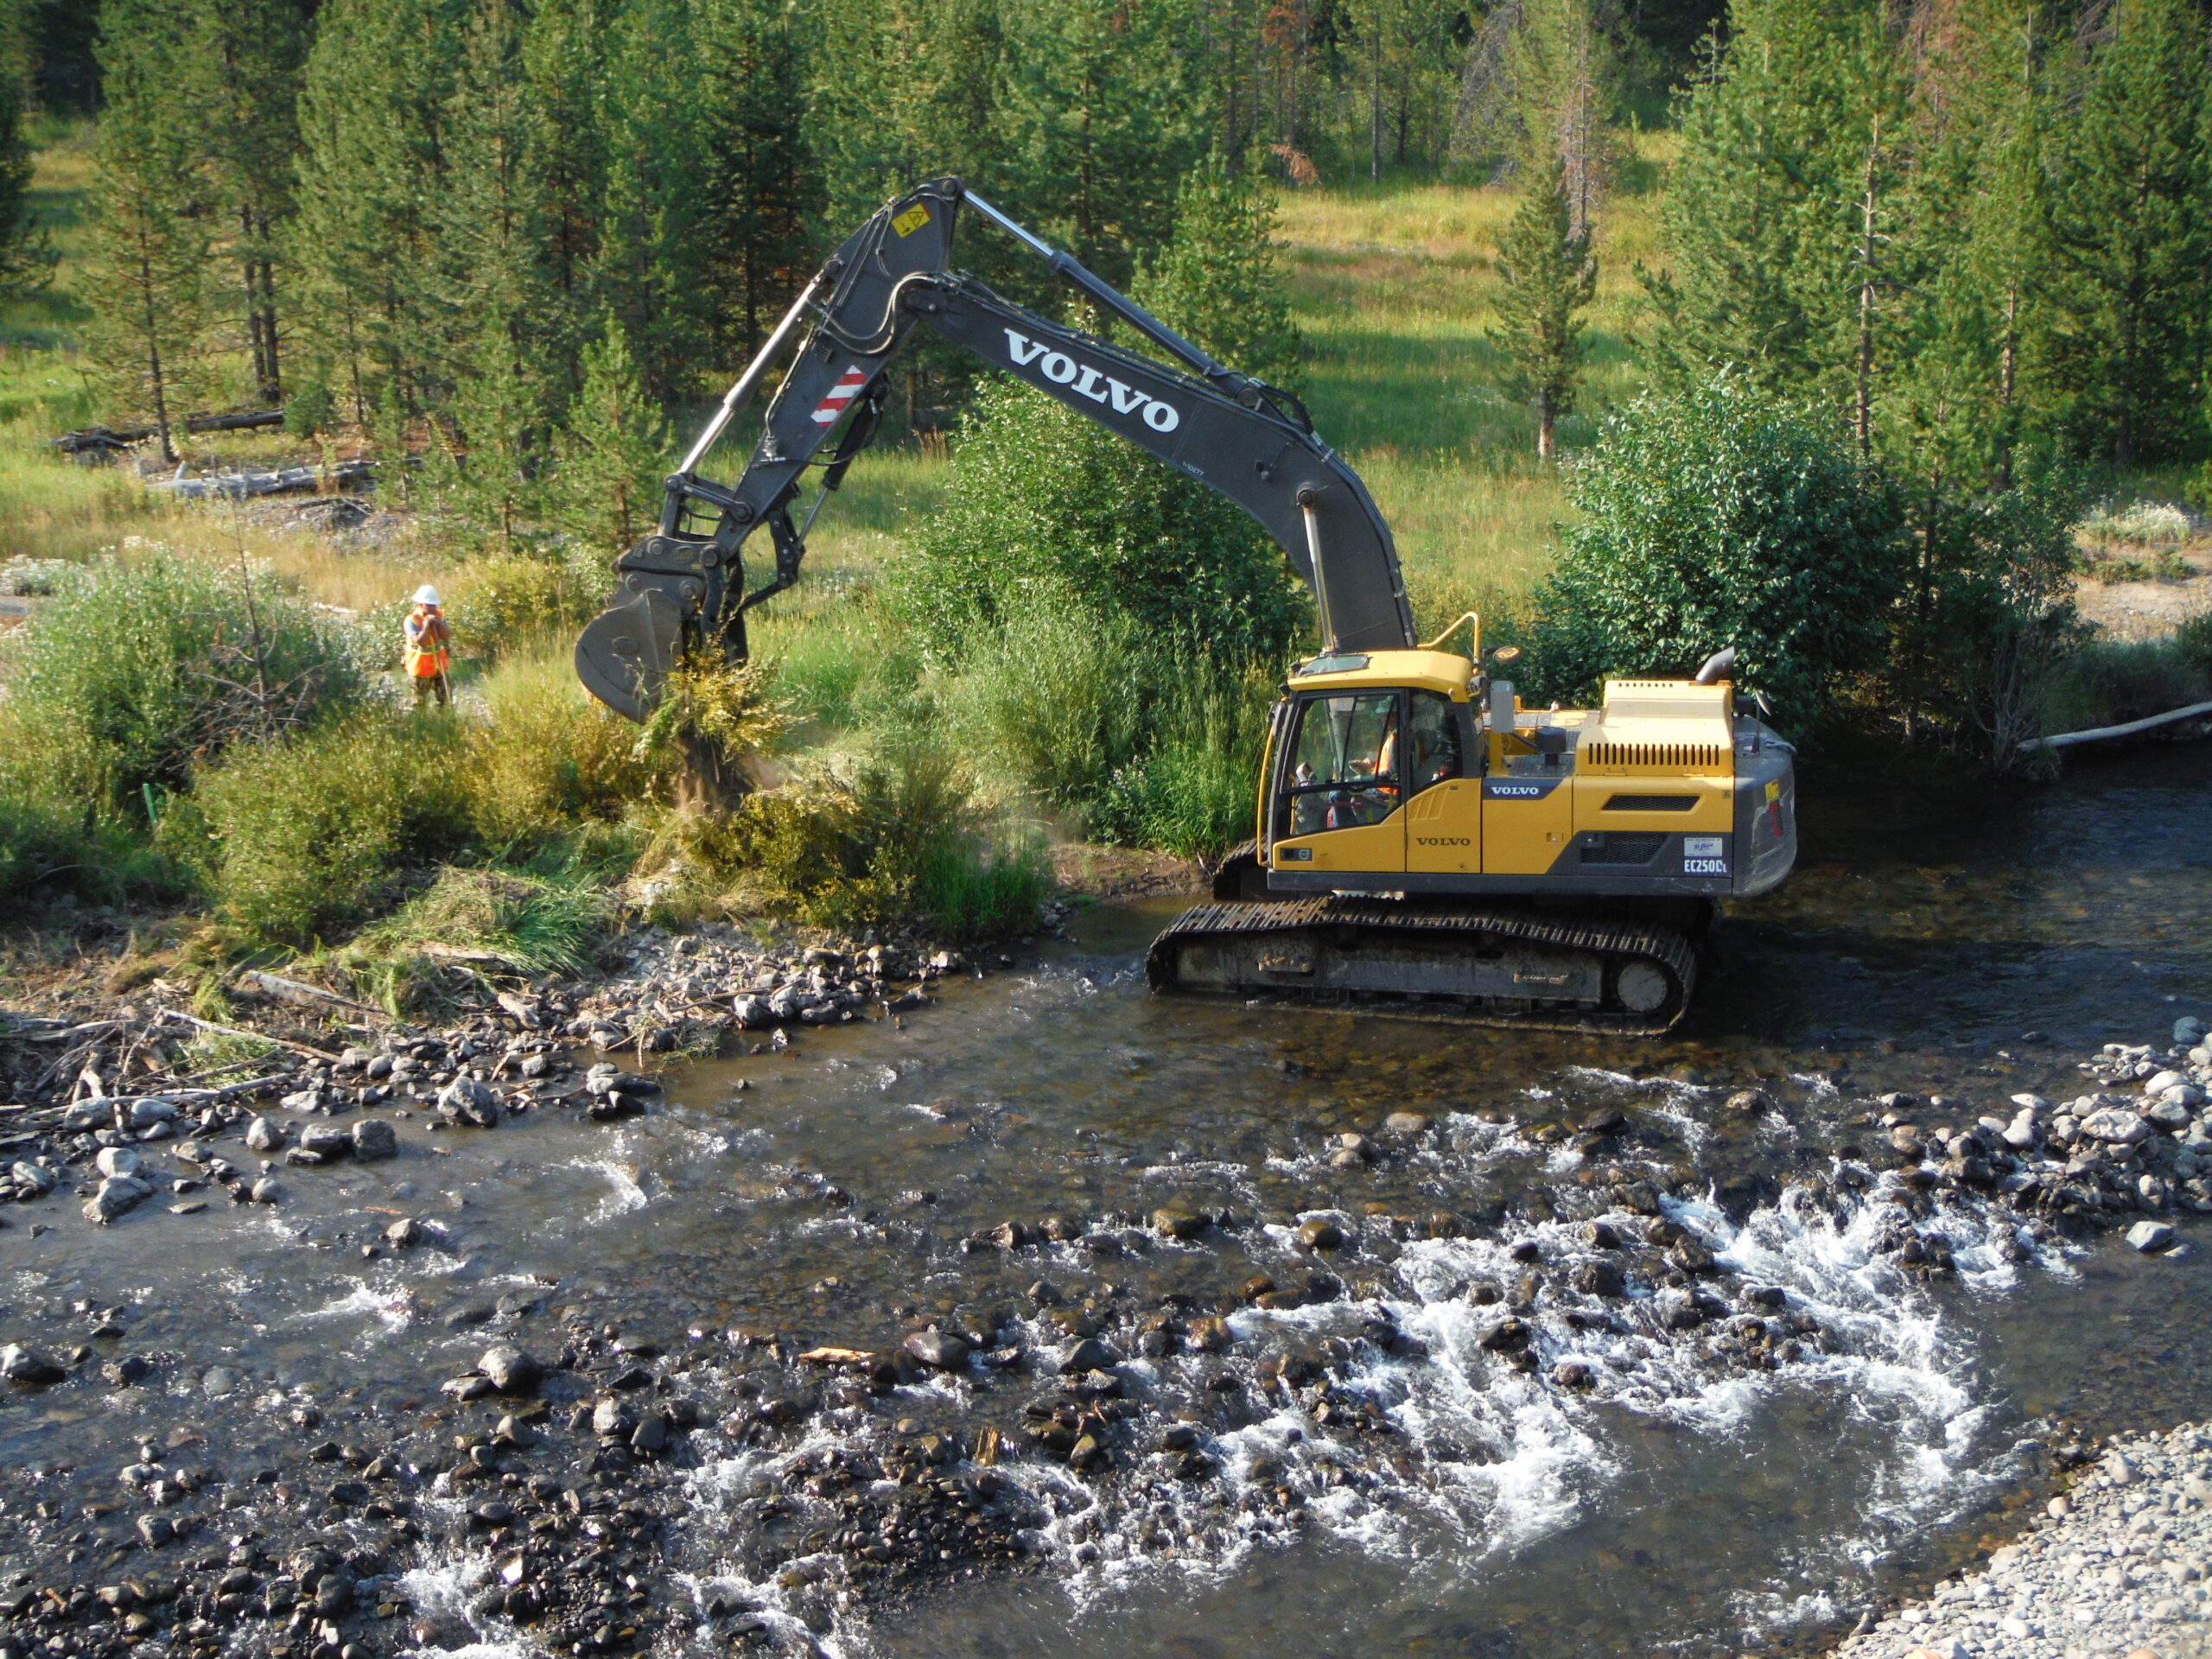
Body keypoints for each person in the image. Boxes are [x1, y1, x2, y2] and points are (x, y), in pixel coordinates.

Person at [404, 585, 452, 705]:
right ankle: (422, 723)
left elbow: (446, 636)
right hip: (420, 669)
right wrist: (426, 625)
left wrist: (438, 623)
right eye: (429, 605)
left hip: (439, 667)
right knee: (420, 704)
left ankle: (446, 720)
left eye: (434, 605)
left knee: (445, 699)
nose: (433, 608)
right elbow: (422, 643)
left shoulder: (439, 615)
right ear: (421, 604)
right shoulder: (411, 620)